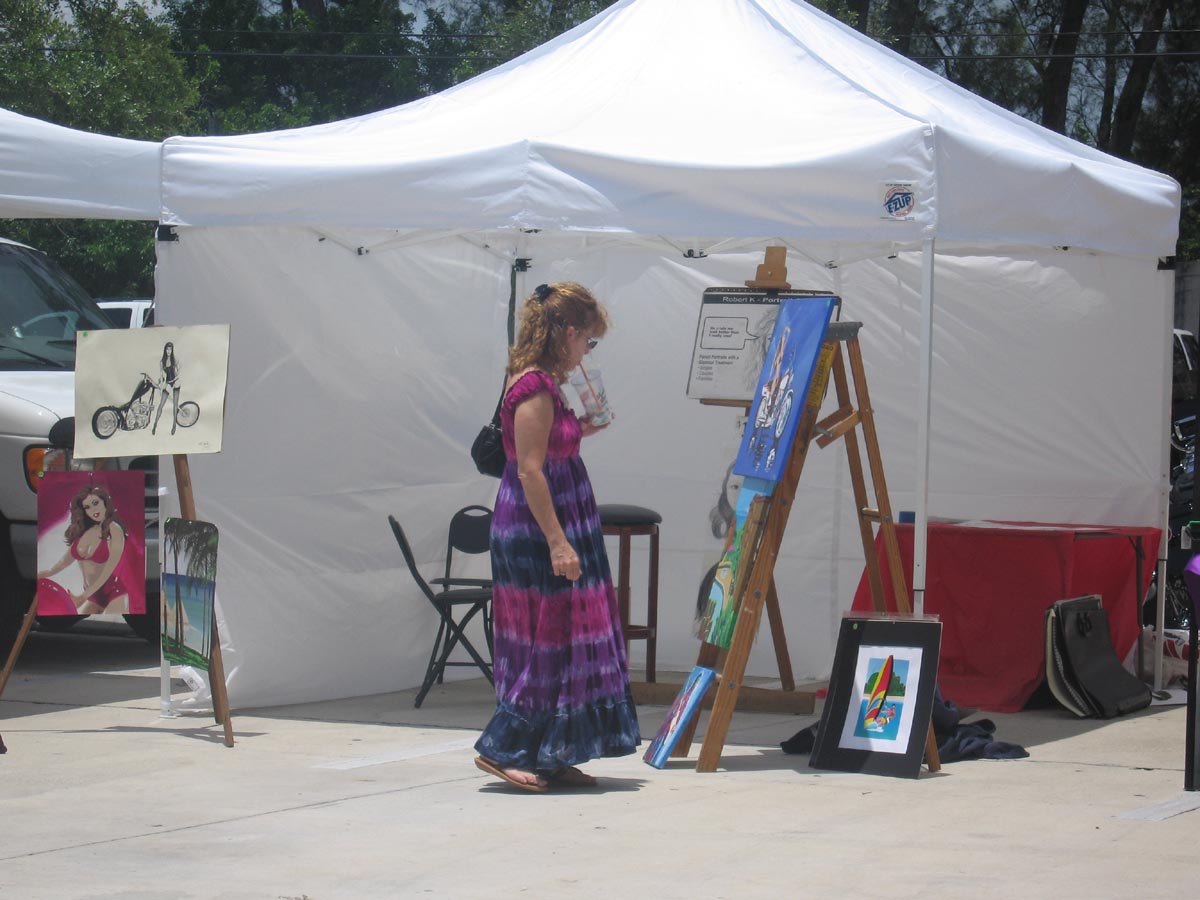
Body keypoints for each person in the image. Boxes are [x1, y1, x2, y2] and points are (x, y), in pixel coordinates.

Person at [474, 282, 640, 792]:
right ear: (568, 332)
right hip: (538, 527)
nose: (587, 350)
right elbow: (529, 469)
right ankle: (506, 748)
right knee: (543, 638)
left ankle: (553, 750)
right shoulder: (533, 387)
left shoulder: (546, 384)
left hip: (562, 518)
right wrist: (558, 542)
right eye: (588, 340)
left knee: (568, 637)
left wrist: (582, 428)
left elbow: (547, 446)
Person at [38, 485, 129, 615]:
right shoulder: (82, 532)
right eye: (87, 507)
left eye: (96, 503)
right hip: (93, 595)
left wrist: (83, 597)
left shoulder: (114, 530)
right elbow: (60, 565)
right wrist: (39, 575)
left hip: (113, 591)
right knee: (79, 624)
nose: (93, 509)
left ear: (105, 503)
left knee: (108, 623)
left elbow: (108, 571)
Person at [152, 341, 181, 435]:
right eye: (167, 349)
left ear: (172, 350)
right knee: (161, 404)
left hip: (176, 382)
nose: (169, 351)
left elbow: (179, 370)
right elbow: (161, 375)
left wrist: (177, 377)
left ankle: (174, 425)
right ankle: (155, 425)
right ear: (165, 350)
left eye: (170, 349)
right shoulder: (162, 362)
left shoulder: (175, 359)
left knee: (175, 405)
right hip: (168, 382)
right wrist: (160, 382)